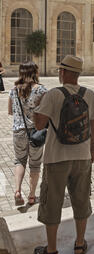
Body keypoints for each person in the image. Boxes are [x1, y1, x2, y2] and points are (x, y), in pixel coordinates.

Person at [33, 55, 94, 254]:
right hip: (82, 157)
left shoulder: (53, 95)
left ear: (64, 73)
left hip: (56, 158)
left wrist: (37, 106)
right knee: (81, 200)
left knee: (51, 203)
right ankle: (79, 244)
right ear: (78, 74)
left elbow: (38, 125)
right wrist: (91, 152)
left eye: (60, 70)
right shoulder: (90, 94)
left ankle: (51, 251)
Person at [8, 62, 47, 207]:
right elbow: (46, 111)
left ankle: (17, 191)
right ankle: (31, 196)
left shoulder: (13, 90)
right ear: (34, 73)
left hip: (18, 131)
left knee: (19, 161)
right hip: (35, 133)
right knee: (35, 165)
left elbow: (10, 111)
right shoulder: (41, 90)